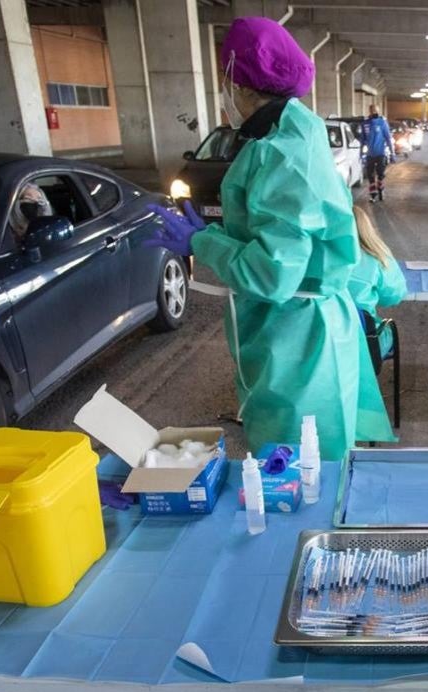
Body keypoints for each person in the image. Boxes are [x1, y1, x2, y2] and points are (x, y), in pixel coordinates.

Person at [147, 17, 394, 460]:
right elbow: (280, 232)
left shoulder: (282, 154)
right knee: (314, 465)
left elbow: (272, 274)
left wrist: (203, 243)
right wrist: (218, 233)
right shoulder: (295, 134)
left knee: (297, 471)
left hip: (297, 343)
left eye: (226, 79)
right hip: (305, 330)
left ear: (240, 83)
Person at [347, 206, 407, 360]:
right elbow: (393, 296)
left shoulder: (312, 257)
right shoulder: (376, 258)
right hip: (364, 340)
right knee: (384, 331)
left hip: (321, 340)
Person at [362, 104, 394, 203]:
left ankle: (381, 190)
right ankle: (373, 194)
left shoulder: (382, 123)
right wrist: (361, 152)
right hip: (370, 154)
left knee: (380, 174)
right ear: (369, 111)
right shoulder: (365, 124)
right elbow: (363, 139)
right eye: (372, 110)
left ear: (378, 111)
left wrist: (392, 153)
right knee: (370, 175)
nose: (374, 112)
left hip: (380, 153)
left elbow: (388, 138)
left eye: (375, 110)